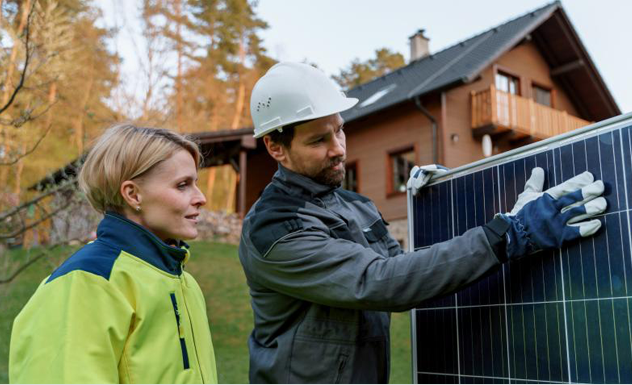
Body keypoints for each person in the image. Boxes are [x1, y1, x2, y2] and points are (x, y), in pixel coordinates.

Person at [238, 62, 607, 383]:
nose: (338, 148)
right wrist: (509, 233)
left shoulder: (356, 206)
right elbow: (382, 282)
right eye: (319, 140)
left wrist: (449, 202)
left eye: (339, 129)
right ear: (275, 147)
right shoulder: (274, 228)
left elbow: (412, 269)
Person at [9, 124, 218, 383]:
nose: (201, 198)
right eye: (182, 185)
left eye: (195, 183)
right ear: (133, 194)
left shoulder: (185, 282)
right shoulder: (87, 282)